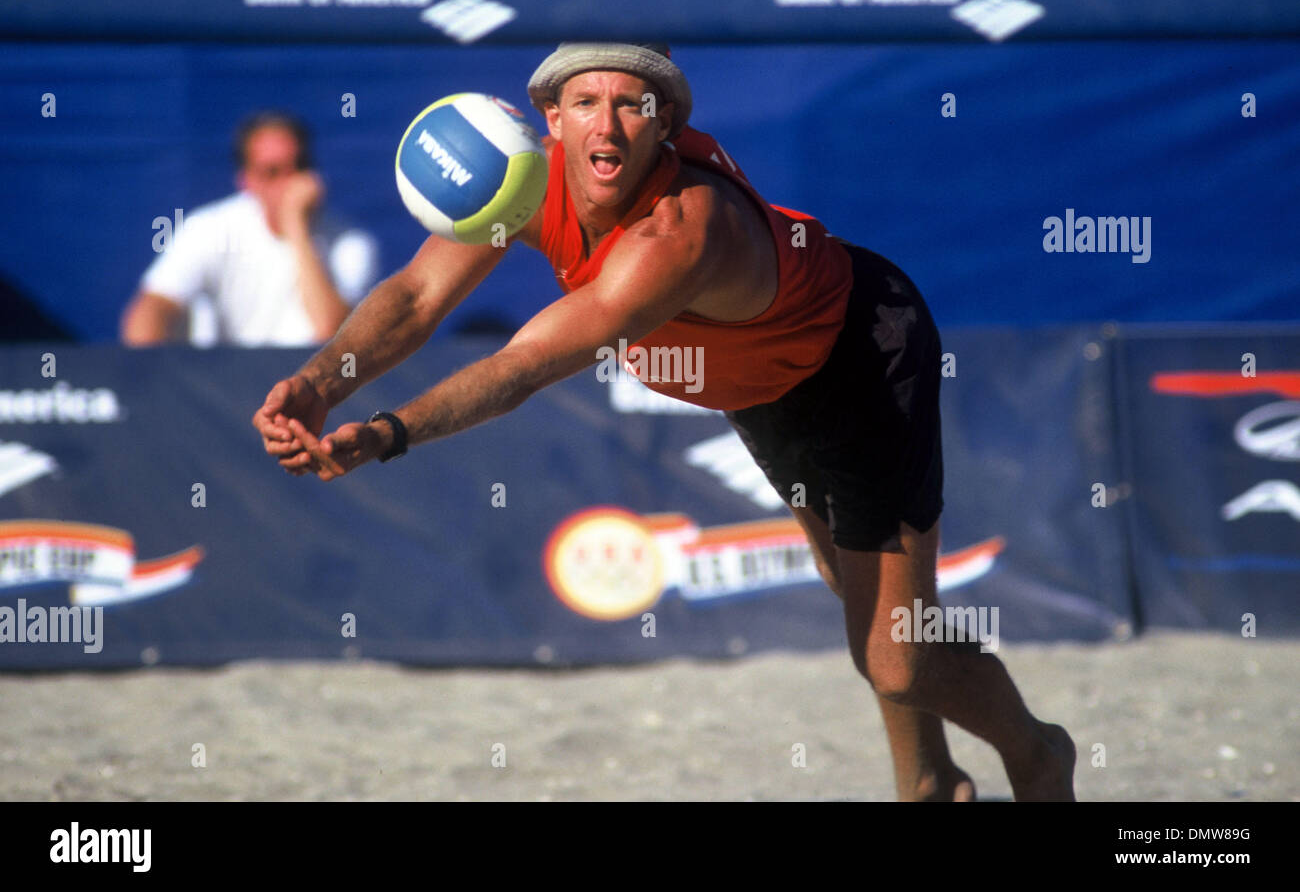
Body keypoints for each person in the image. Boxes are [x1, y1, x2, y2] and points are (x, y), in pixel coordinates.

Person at [252, 43, 1076, 801]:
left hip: (859, 356)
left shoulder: (678, 229)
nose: (606, 124)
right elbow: (415, 295)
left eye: (632, 105)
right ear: (552, 120)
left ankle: (1038, 755)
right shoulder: (525, 182)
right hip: (757, 385)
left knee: (895, 656)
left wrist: (390, 433)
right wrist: (323, 381)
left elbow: (523, 365)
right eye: (585, 103)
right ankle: (931, 782)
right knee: (856, 598)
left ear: (666, 125)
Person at [121, 111, 378, 347]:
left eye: (298, 166)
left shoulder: (352, 243)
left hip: (310, 388)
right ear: (246, 180)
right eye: (272, 172)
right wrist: (155, 372)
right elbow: (151, 310)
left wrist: (296, 228)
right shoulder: (208, 228)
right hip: (223, 386)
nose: (288, 183)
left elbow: (332, 335)